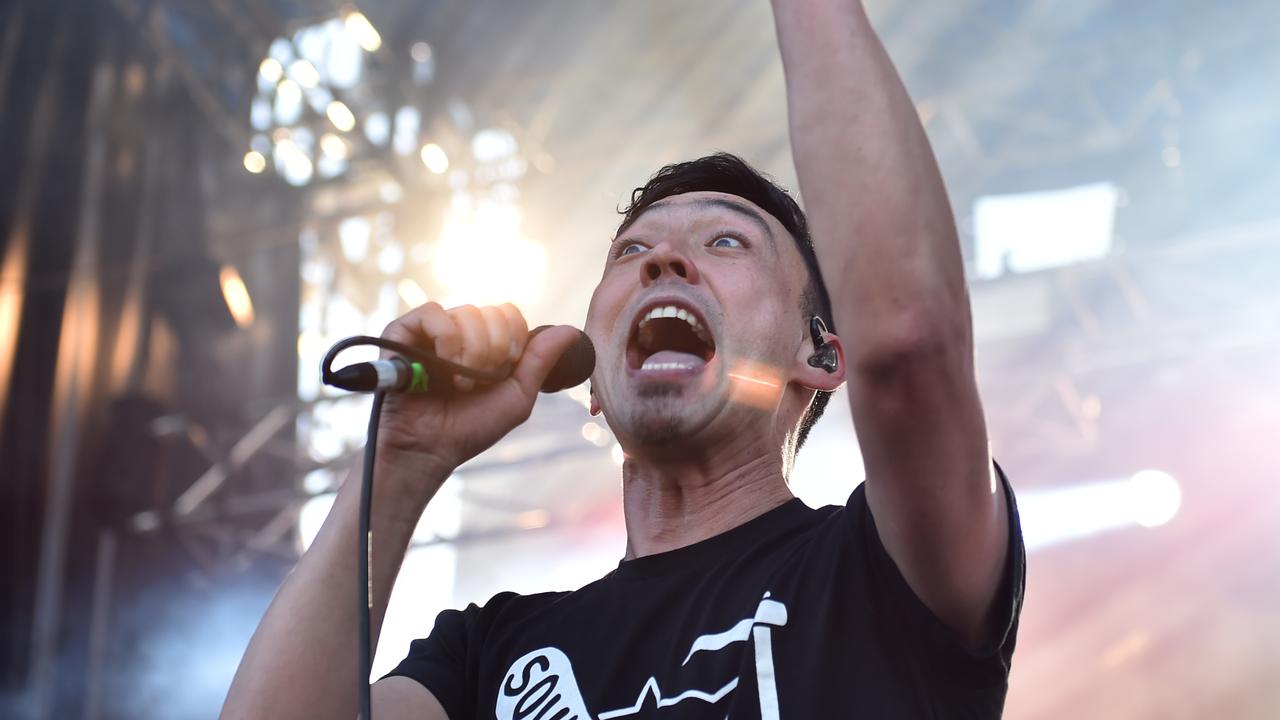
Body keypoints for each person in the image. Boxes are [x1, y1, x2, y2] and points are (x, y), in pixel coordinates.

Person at [222, 1, 1025, 717]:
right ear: (594, 384)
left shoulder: (877, 573)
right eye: (631, 250)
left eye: (724, 242)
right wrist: (396, 467)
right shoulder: (488, 657)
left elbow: (910, 343)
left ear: (820, 355)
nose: (661, 263)